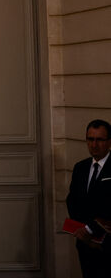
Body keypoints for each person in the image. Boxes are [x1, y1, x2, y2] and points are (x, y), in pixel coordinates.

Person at [66, 119, 111, 278]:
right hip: (84, 241)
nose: (94, 144)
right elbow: (72, 200)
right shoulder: (81, 167)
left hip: (107, 243)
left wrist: (90, 229)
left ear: (109, 141)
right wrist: (80, 228)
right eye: (90, 139)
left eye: (99, 140)